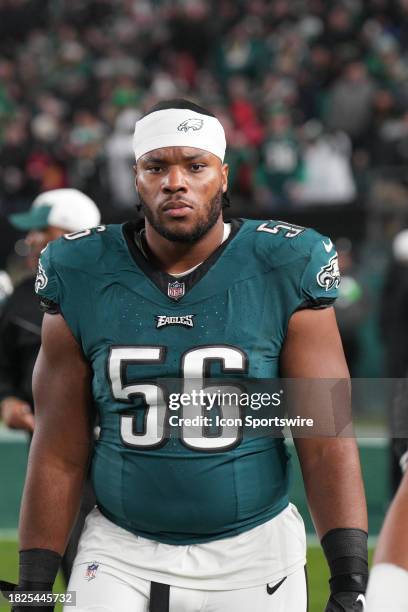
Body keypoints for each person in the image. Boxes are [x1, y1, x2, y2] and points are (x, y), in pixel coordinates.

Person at [1, 100, 368, 612]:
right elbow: (59, 446)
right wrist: (35, 586)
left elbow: (324, 435)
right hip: (120, 548)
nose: (175, 182)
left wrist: (350, 580)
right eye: (157, 166)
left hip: (254, 549)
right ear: (136, 177)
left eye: (194, 166)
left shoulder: (284, 263)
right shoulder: (79, 269)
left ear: (222, 175)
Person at [0, 188, 101, 582]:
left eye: (44, 230)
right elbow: (4, 363)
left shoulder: (121, 293)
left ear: (73, 234)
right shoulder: (25, 297)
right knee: (59, 573)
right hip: (50, 458)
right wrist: (8, 398)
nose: (33, 240)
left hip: (116, 457)